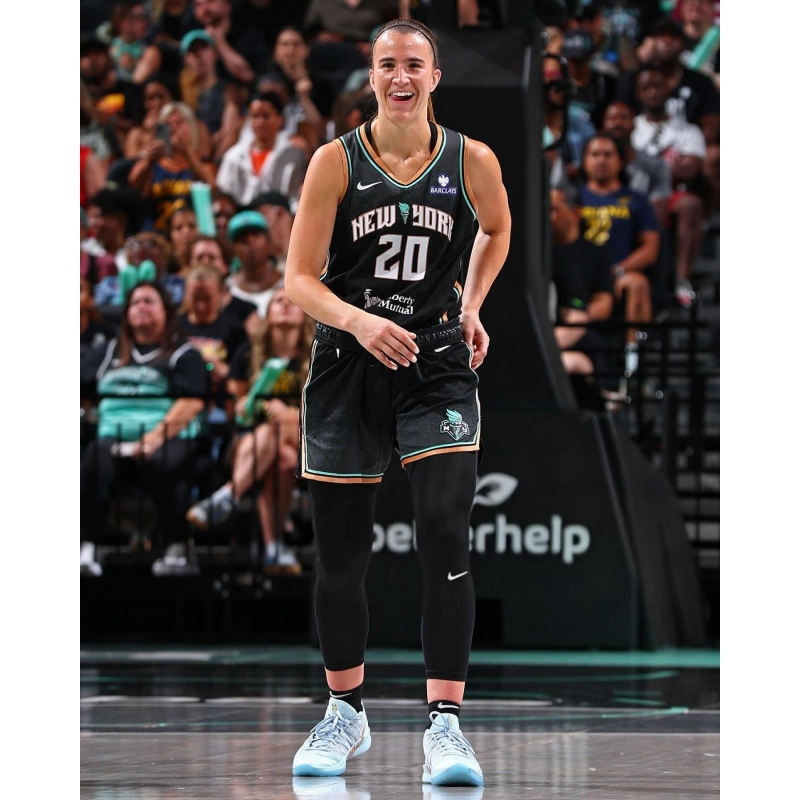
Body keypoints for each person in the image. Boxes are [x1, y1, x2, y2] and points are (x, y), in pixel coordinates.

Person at [284, 18, 511, 787]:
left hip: (436, 361)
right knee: (341, 556)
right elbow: (299, 279)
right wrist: (359, 321)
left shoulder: (472, 159)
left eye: (414, 64)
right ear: (372, 75)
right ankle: (345, 712)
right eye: (388, 64)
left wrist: (472, 304)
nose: (401, 77)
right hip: (349, 364)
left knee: (445, 532)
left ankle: (445, 725)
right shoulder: (335, 161)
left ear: (435, 76)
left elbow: (498, 229)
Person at [80, 281, 208, 577]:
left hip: (167, 436)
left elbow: (191, 402)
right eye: (135, 302)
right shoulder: (110, 351)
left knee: (163, 462)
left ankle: (177, 547)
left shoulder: (182, 352)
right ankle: (87, 546)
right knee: (93, 460)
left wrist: (153, 438)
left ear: (166, 311)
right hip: (112, 438)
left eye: (149, 301)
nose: (141, 307)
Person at [185, 287, 313, 573]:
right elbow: (236, 411)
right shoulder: (247, 353)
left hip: (304, 436)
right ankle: (275, 549)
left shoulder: (316, 355)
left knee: (282, 428)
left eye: (293, 301)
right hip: (254, 441)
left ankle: (229, 495)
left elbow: (322, 410)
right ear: (267, 313)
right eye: (278, 301)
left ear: (306, 313)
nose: (285, 305)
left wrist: (289, 413)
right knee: (283, 460)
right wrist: (249, 405)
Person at [631, 64, 707, 307]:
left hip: (671, 195)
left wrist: (650, 166)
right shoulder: (632, 127)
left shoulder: (687, 130)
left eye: (658, 86)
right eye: (646, 88)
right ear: (638, 93)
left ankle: (681, 280)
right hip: (635, 194)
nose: (653, 92)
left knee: (691, 205)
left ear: (668, 89)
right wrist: (669, 164)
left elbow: (690, 168)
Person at [578, 133, 660, 346]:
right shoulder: (573, 199)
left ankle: (633, 355)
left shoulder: (636, 201)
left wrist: (618, 269)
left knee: (637, 283)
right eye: (595, 154)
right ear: (584, 160)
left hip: (618, 273)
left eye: (608, 155)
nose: (601, 160)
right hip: (580, 275)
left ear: (620, 161)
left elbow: (651, 248)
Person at [549, 188, 617, 408]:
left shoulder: (594, 254)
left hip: (580, 328)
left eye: (554, 209)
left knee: (589, 338)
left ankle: (606, 394)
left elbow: (603, 305)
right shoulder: (541, 254)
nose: (549, 216)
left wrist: (579, 316)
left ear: (574, 212)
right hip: (551, 327)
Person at [129, 100, 215, 233]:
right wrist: (148, 161)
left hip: (191, 233)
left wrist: (186, 151)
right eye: (168, 124)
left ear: (191, 127)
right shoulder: (153, 163)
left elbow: (212, 188)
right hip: (156, 233)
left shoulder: (200, 163)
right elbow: (133, 189)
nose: (174, 128)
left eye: (180, 122)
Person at [215, 91, 308, 208]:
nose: (260, 122)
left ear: (280, 119)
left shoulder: (293, 155)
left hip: (280, 213)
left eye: (266, 116)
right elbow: (224, 192)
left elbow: (295, 197)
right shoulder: (233, 156)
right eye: (255, 116)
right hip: (241, 215)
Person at [178, 30, 244, 161]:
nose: (199, 55)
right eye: (193, 51)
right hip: (194, 152)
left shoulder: (229, 91)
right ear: (185, 60)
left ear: (214, 53)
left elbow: (231, 128)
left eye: (203, 48)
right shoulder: (181, 94)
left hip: (222, 152)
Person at [226, 210, 283, 317]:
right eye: (242, 239)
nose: (250, 243)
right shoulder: (227, 289)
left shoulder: (288, 284)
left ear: (268, 242)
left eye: (256, 235)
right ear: (233, 249)